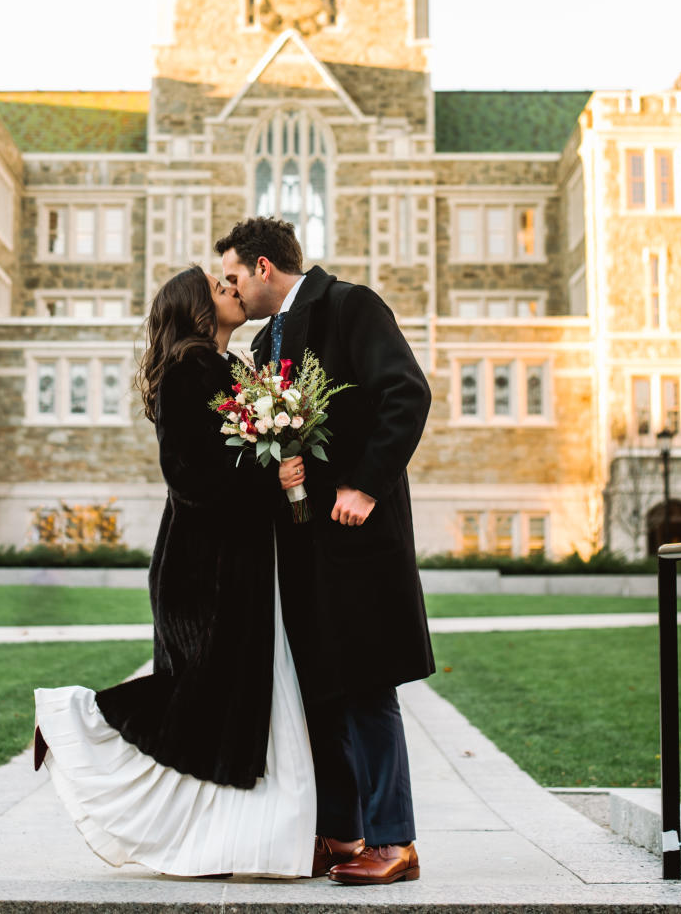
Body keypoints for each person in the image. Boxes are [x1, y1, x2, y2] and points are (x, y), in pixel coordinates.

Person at [34, 265, 316, 878]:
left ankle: (223, 841)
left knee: (229, 703)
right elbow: (191, 477)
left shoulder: (225, 366)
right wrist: (272, 479)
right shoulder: (193, 369)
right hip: (204, 568)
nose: (234, 291)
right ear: (194, 309)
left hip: (232, 563)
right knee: (200, 698)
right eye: (221, 288)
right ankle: (74, 719)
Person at [216, 216, 434, 886]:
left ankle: (395, 840)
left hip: (356, 532)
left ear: (262, 268)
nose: (229, 288)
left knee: (366, 684)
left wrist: (364, 485)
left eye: (232, 276)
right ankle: (343, 835)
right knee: (322, 691)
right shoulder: (267, 338)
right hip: (303, 542)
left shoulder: (351, 306)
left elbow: (407, 393)